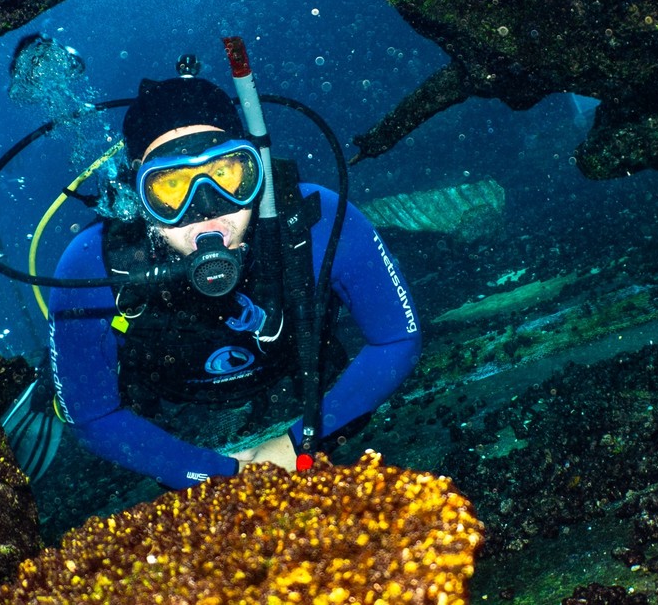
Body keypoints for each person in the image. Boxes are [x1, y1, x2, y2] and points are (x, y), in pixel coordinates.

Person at [47, 75, 421, 488]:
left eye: (224, 173)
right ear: (139, 196)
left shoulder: (315, 217)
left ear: (253, 170)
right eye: (171, 186)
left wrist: (298, 443)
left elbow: (397, 338)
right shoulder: (91, 263)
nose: (206, 210)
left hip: (302, 397)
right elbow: (90, 414)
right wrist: (218, 474)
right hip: (177, 425)